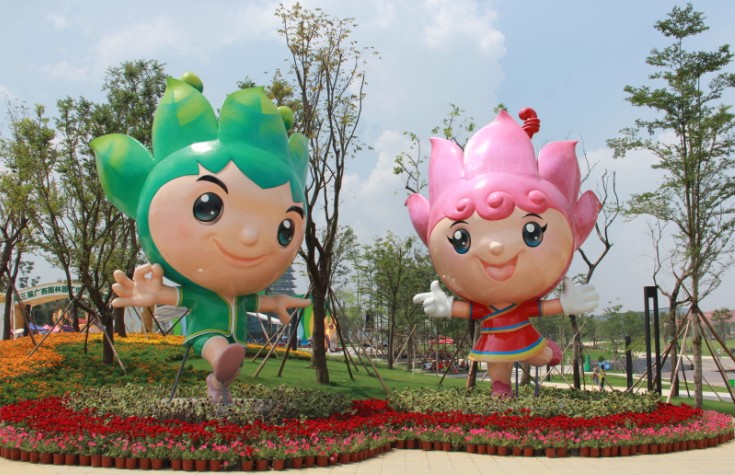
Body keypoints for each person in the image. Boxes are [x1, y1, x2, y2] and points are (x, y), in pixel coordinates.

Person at [92, 73, 311, 404]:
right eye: (208, 207)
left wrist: (277, 300)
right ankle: (219, 362)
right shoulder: (200, 297)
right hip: (205, 331)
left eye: (285, 230)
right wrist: (153, 294)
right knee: (217, 346)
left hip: (236, 336)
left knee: (230, 363)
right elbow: (176, 297)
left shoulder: (241, 297)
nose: (250, 236)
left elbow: (257, 303)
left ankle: (217, 384)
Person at [408, 108, 601, 398]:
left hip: (522, 332)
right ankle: (501, 387)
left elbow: (536, 309)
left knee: (536, 355)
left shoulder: (519, 301)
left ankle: (550, 354)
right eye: (461, 239)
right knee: (497, 361)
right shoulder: (486, 306)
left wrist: (565, 303)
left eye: (532, 233)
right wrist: (446, 306)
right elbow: (472, 311)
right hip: (494, 337)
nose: (496, 248)